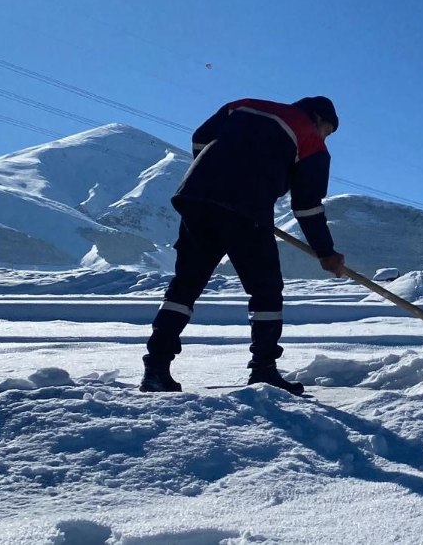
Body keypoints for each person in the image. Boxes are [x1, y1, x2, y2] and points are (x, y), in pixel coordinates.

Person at [141, 96, 348, 395]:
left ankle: (156, 369)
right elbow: (307, 207)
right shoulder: (311, 140)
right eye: (327, 131)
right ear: (317, 119)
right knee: (265, 291)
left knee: (185, 286)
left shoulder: (243, 106)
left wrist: (215, 178)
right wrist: (326, 253)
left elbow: (200, 137)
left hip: (197, 200)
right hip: (247, 211)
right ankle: (264, 369)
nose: (325, 137)